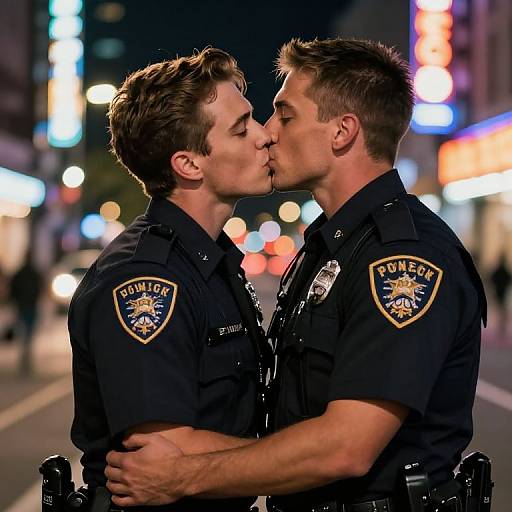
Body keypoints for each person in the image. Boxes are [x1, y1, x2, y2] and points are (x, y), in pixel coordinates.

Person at [105, 38, 487, 512]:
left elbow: (345, 447)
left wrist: (183, 476)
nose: (268, 133)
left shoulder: (400, 259)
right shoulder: (332, 247)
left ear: (343, 132)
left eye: (284, 115)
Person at [69, 47, 273, 512]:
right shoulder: (147, 279)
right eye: (242, 128)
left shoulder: (206, 261)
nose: (265, 137)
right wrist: (315, 455)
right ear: (189, 164)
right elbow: (165, 450)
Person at [10, 249, 43, 374]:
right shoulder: (33, 273)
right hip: (29, 305)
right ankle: (26, 354)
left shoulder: (21, 273)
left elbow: (13, 289)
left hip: (24, 305)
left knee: (24, 331)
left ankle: (25, 354)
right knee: (28, 331)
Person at [489, 254, 511, 338]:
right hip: (502, 292)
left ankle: (500, 325)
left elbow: (492, 279)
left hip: (499, 292)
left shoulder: (499, 270)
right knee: (501, 310)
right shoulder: (503, 270)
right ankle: (501, 326)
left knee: (500, 309)